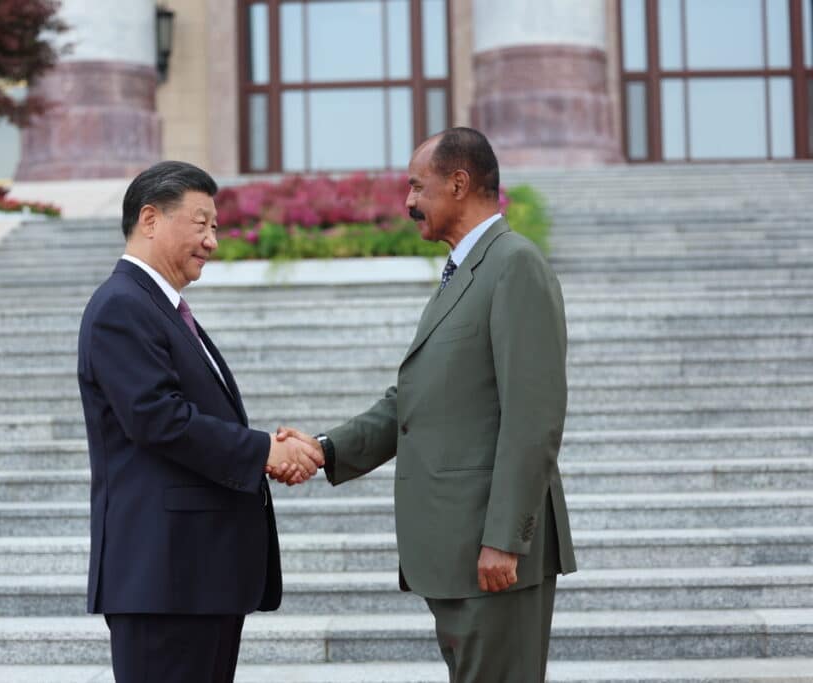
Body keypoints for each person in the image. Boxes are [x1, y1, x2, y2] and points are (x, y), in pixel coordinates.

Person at [278, 127, 577, 683]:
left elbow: (533, 418)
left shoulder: (514, 265)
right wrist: (323, 449)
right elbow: (414, 404)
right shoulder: (464, 272)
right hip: (457, 551)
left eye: (418, 187)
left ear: (459, 184)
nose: (409, 202)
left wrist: (505, 540)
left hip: (492, 555)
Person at [77, 160, 323, 683]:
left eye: (216, 226)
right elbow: (157, 418)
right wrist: (263, 452)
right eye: (201, 223)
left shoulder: (161, 307)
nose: (212, 241)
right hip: (163, 577)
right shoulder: (121, 305)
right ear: (150, 219)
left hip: (195, 576)